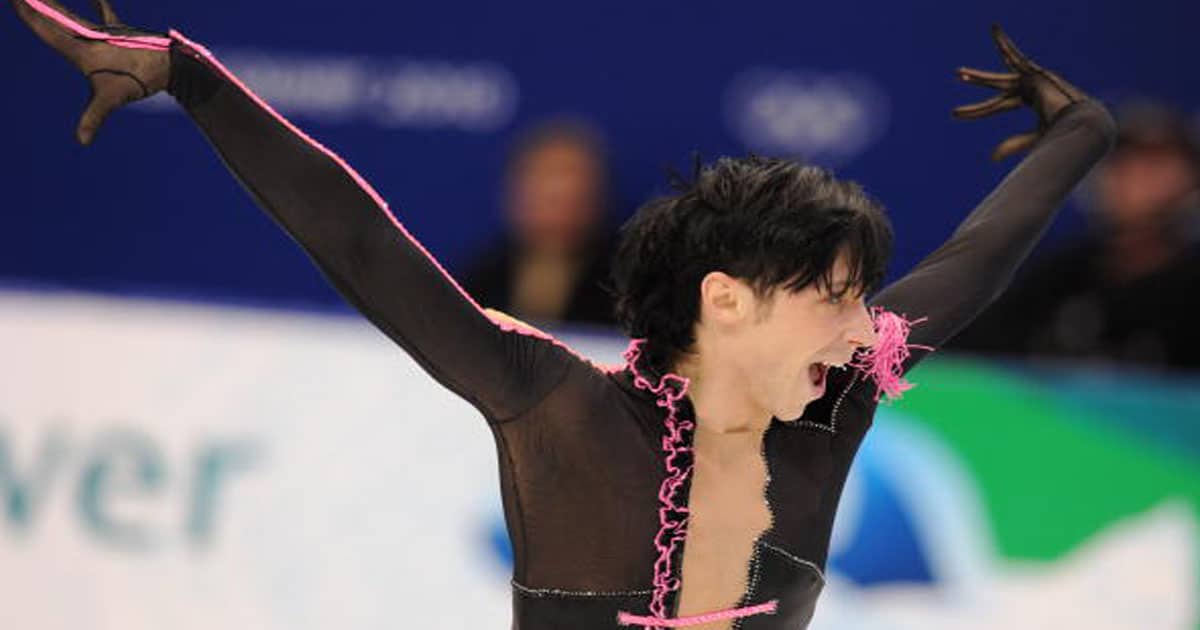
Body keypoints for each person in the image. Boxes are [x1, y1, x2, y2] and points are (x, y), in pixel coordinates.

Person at [9, 1, 1116, 628]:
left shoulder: (839, 400)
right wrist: (187, 76)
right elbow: (359, 241)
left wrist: (1080, 132)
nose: (863, 329)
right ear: (726, 303)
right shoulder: (550, 405)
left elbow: (978, 258)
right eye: (833, 299)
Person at [948, 100, 1200, 370]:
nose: (1135, 181)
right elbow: (967, 355)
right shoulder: (1060, 276)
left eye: (1155, 167)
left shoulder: (1189, 288)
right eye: (1122, 166)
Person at [461, 119, 618, 327]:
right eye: (548, 198)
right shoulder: (481, 278)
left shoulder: (626, 286)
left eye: (572, 198)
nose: (559, 214)